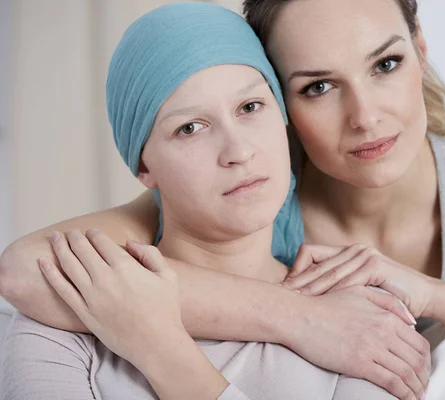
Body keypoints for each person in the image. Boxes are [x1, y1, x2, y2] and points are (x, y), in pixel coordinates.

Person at [1, 0, 445, 391]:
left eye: (386, 63)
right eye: (318, 86)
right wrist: (307, 317)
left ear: (420, 45)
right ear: (282, 105)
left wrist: (434, 296)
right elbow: (30, 271)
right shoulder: (250, 194)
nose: (365, 116)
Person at [0, 3, 421, 400]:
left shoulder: (363, 324)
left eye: (250, 106)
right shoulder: (61, 314)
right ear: (143, 167)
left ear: (284, 119)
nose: (237, 150)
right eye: (190, 128)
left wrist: (160, 349)